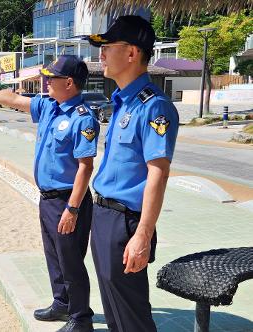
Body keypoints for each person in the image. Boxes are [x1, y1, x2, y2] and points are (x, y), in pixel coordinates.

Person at [0, 55, 99, 332]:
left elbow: (85, 168)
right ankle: (61, 304)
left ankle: (81, 319)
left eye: (52, 78)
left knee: (71, 262)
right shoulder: (49, 107)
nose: (46, 82)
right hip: (47, 199)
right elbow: (13, 100)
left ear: (68, 83)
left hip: (69, 201)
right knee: (54, 257)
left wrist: (72, 209)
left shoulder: (83, 119)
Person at [85, 15, 179, 332]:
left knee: (131, 313)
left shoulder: (154, 107)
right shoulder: (124, 103)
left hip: (126, 222)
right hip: (103, 215)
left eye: (107, 48)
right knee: (113, 308)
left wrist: (143, 234)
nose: (101, 56)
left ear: (131, 53)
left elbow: (158, 174)